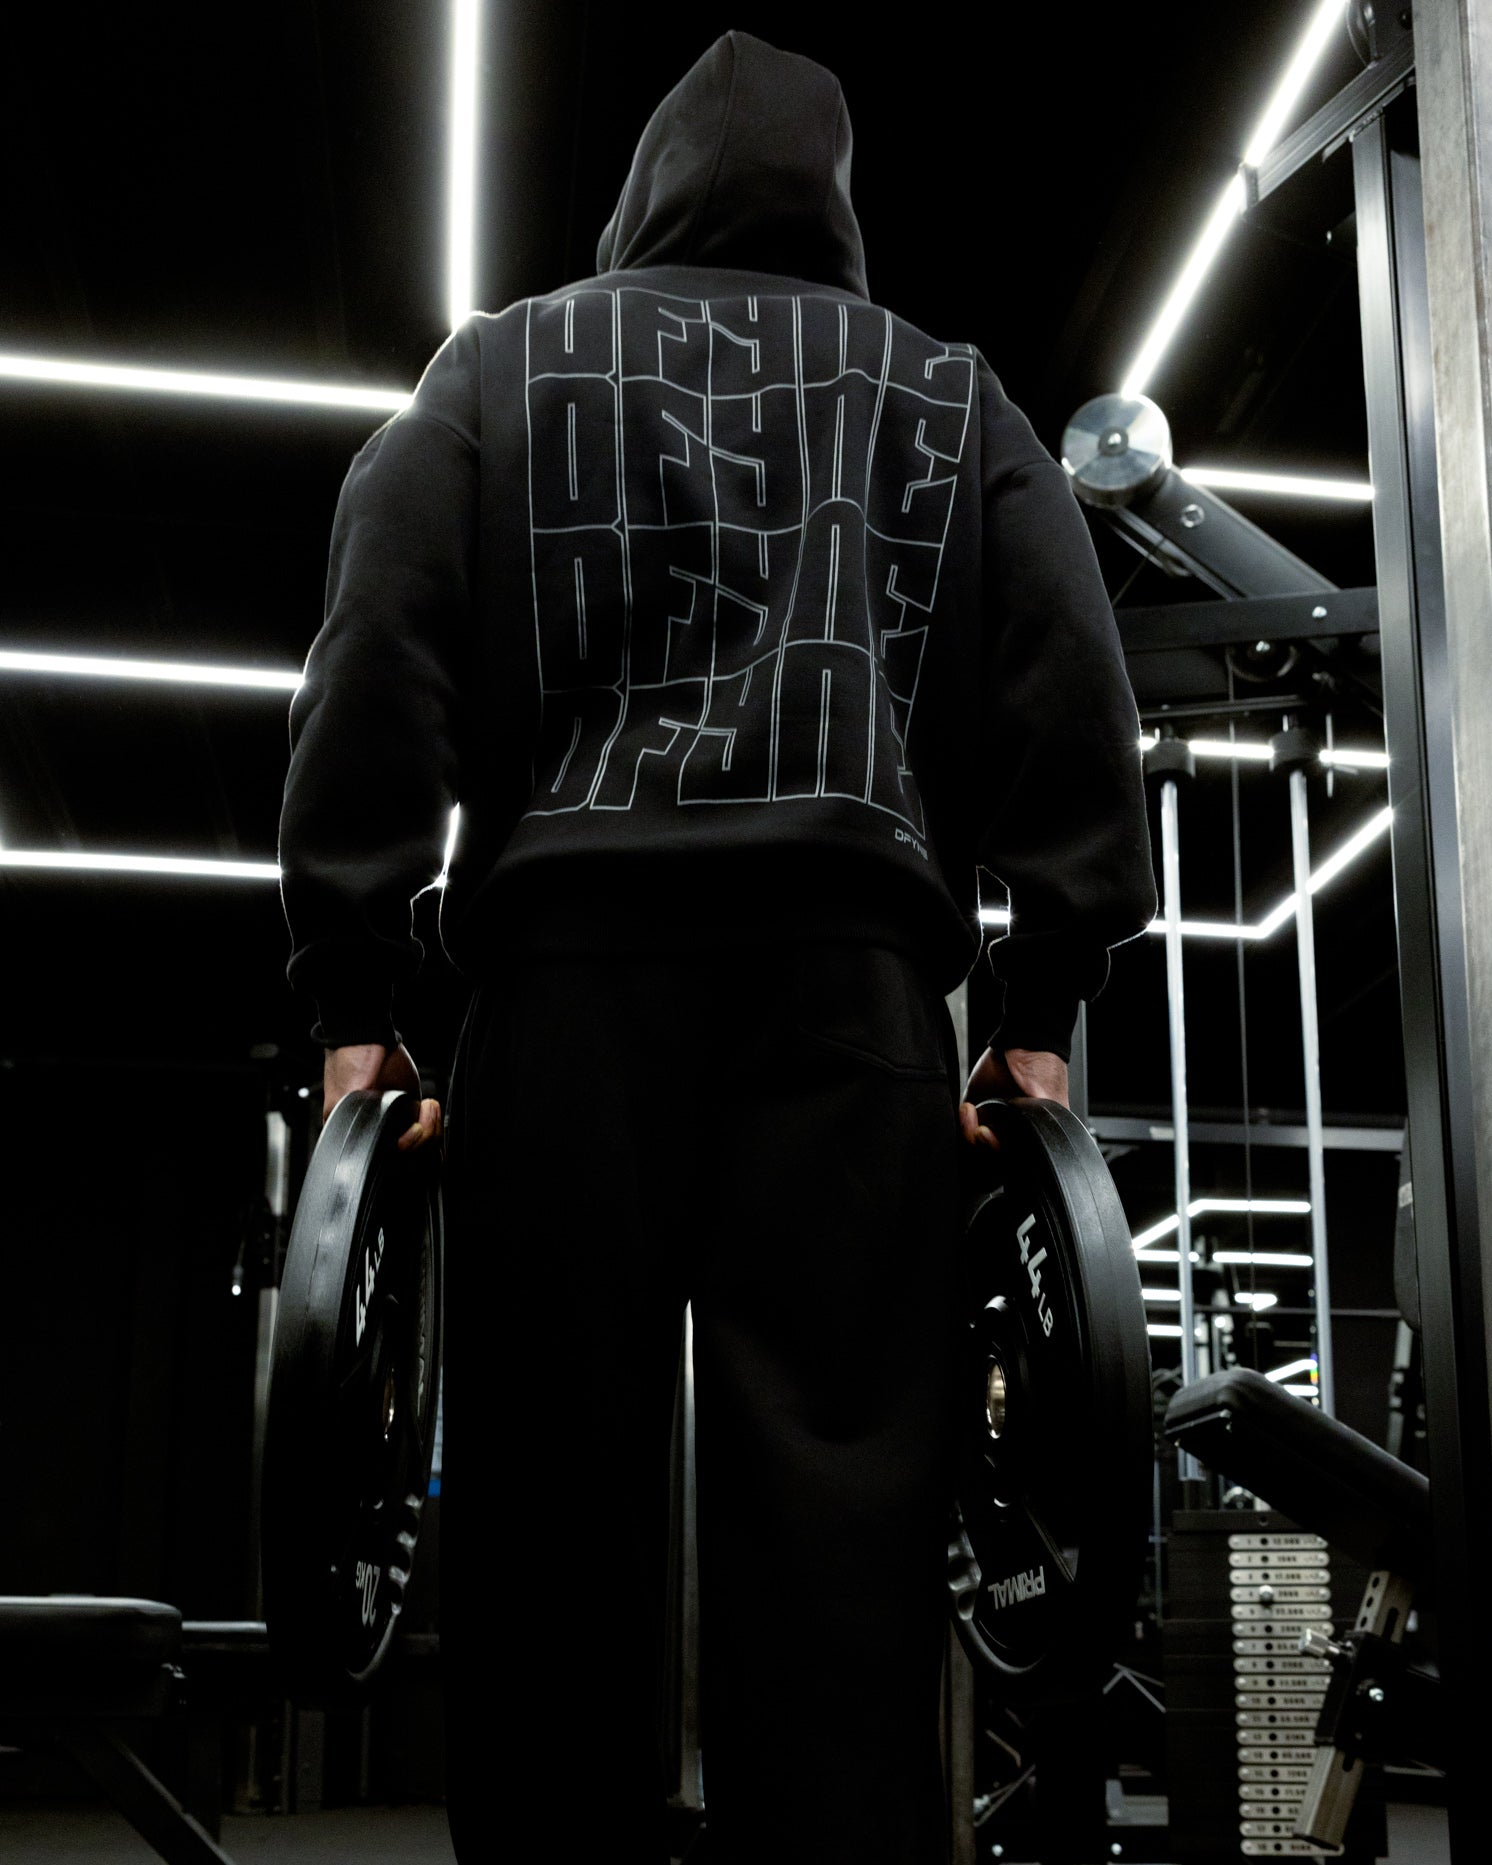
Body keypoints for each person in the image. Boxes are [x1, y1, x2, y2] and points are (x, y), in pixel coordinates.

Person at [278, 29, 1155, 1865]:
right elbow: (1077, 702)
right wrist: (1042, 1007)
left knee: (549, 1497)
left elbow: (373, 652)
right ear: (836, 201)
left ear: (644, 192)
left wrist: (358, 1001)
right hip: (851, 994)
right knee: (845, 1510)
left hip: (567, 988)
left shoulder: (503, 365)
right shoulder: (947, 392)